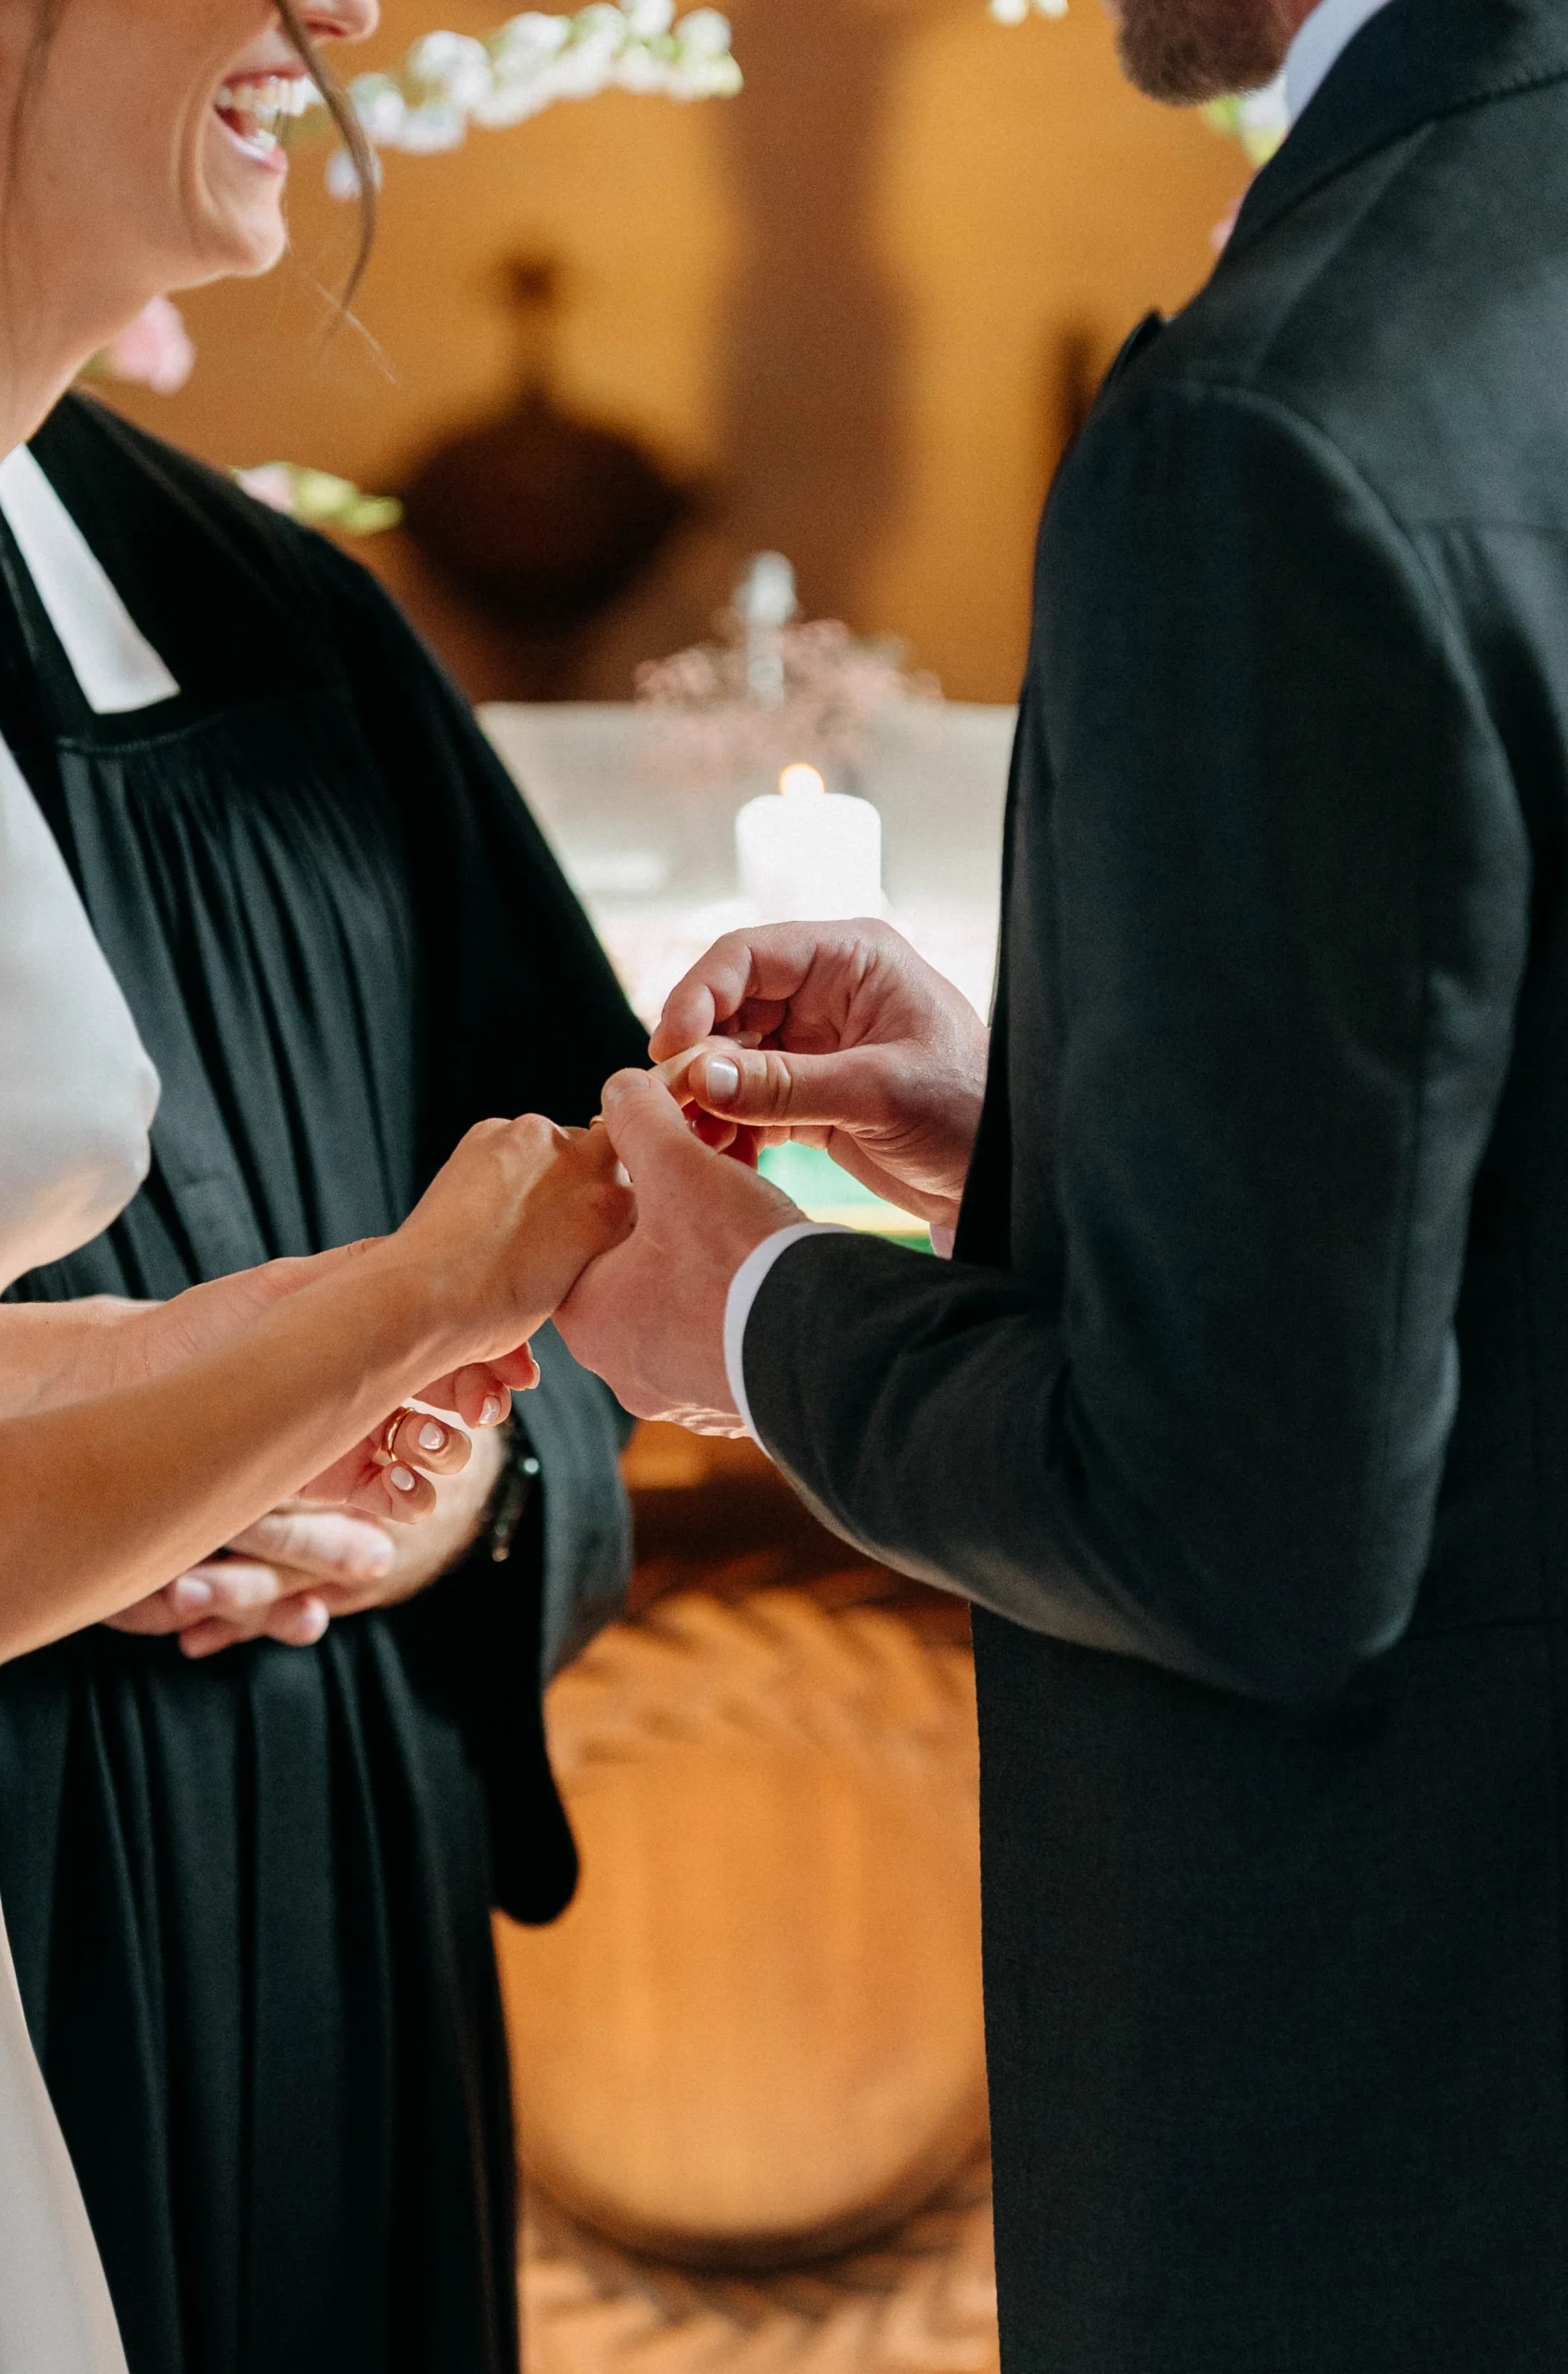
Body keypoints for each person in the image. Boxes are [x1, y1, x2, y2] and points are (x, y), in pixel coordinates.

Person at [560, 0, 1568, 2364]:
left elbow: (1241, 1523)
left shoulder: (1276, 412)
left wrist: (748, 1313)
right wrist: (1062, 1119)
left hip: (1407, 2107)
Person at [0, 0, 631, 2365]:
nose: (353, 16)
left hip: (296, 1898)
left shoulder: (274, 621)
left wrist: (420, 1431)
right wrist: (403, 1307)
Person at [0, 390, 646, 2374]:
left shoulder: (254, 591)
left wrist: (464, 1474)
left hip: (334, 1855)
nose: (332, 50)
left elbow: (593, 1185)